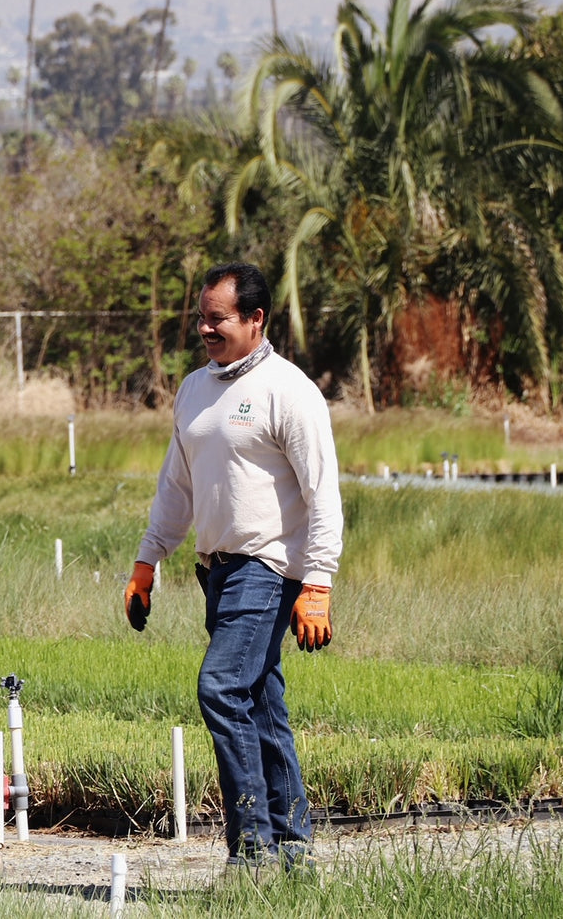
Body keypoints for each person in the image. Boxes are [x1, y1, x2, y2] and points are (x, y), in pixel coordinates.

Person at [123, 261, 342, 875]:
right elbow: (177, 485)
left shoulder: (289, 390)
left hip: (269, 568)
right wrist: (147, 561)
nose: (205, 328)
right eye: (201, 317)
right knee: (260, 701)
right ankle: (293, 844)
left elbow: (323, 494)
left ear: (255, 319)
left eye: (217, 318)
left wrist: (318, 582)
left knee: (220, 687)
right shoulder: (195, 389)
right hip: (216, 572)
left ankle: (252, 848)